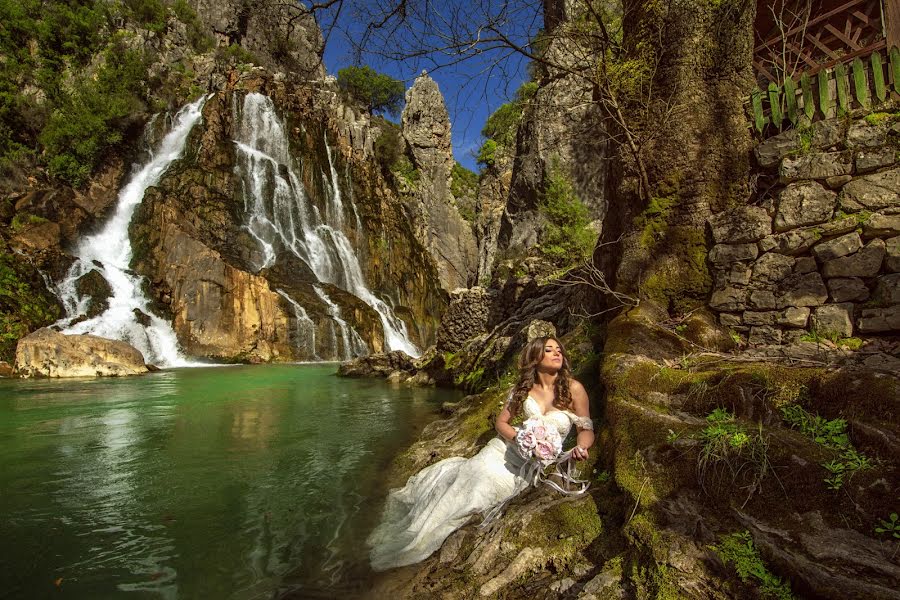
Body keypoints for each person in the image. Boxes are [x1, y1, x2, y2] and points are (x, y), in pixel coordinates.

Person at [367, 336, 595, 571]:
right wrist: (521, 438)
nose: (557, 353)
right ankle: (423, 533)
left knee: (483, 493)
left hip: (532, 465)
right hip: (503, 450)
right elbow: (502, 423)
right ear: (535, 357)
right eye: (549, 350)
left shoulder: (574, 389)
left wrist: (581, 447)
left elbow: (585, 429)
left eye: (559, 349)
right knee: (474, 474)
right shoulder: (524, 388)